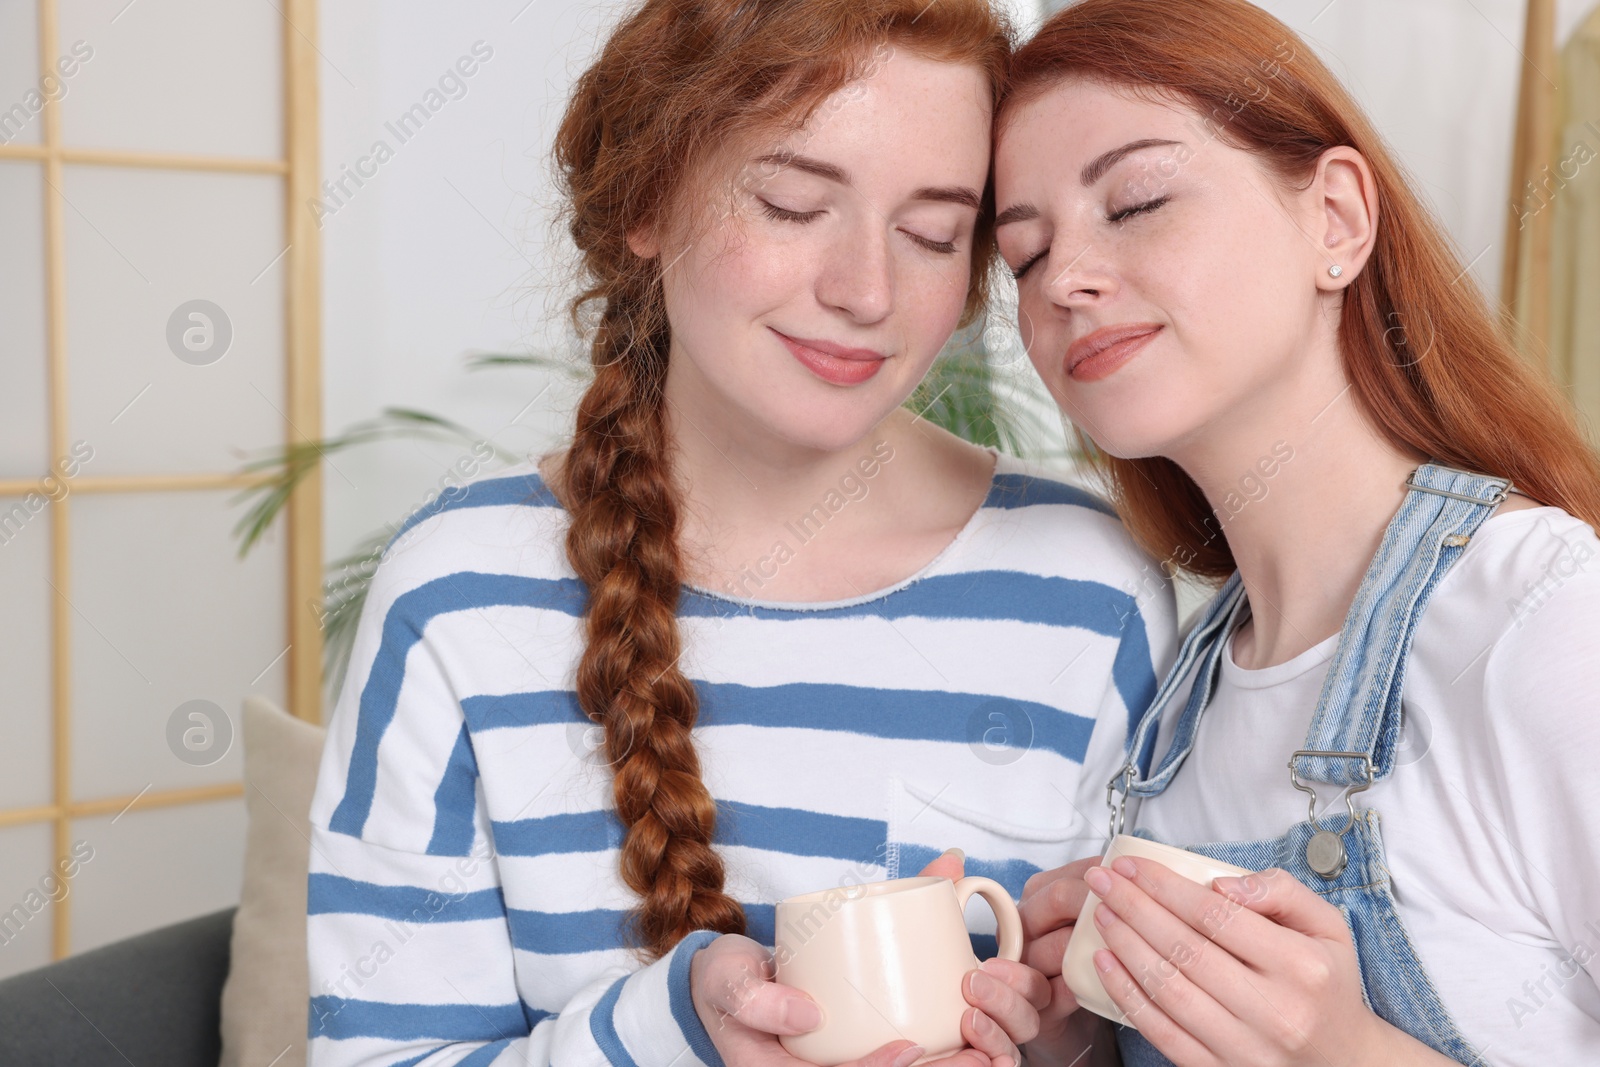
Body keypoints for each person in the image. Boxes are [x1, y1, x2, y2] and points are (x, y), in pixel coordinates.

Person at [304, 2, 1176, 1065]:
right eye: (791, 202)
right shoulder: (457, 597)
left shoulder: (1085, 586)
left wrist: (1064, 1035)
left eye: (933, 233)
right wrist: (673, 1031)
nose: (865, 291)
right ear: (648, 201)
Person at [993, 2, 1600, 1065]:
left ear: (1334, 219)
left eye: (1134, 202)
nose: (1064, 280)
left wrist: (1347, 1048)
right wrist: (1076, 1036)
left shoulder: (1541, 618)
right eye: (1024, 254)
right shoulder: (1172, 711)